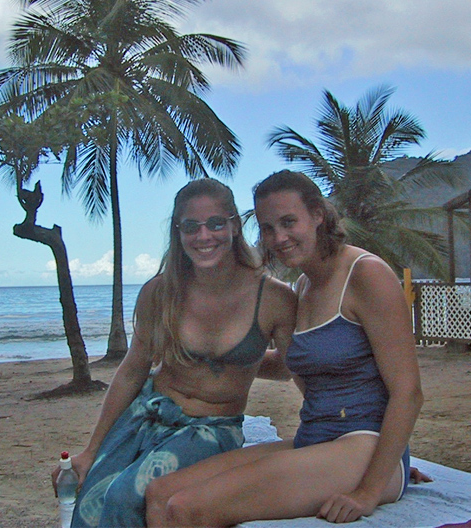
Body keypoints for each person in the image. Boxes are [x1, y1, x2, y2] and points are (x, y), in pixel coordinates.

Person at [145, 170, 424, 526]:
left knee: (187, 508)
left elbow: (409, 393)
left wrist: (370, 488)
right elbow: (290, 364)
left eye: (289, 222)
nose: (279, 237)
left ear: (318, 215)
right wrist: (209, 353)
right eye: (267, 227)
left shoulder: (366, 274)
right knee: (160, 493)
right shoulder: (304, 287)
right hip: (317, 438)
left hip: (362, 441)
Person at [54, 178, 297, 528]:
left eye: (215, 223)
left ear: (234, 225)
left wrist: (243, 360)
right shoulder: (161, 291)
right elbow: (133, 369)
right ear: (177, 231)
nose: (204, 236)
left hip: (211, 430)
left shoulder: (273, 298)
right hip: (147, 414)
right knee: (92, 498)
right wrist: (91, 450)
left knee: (125, 497)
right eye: (190, 226)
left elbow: (291, 369)